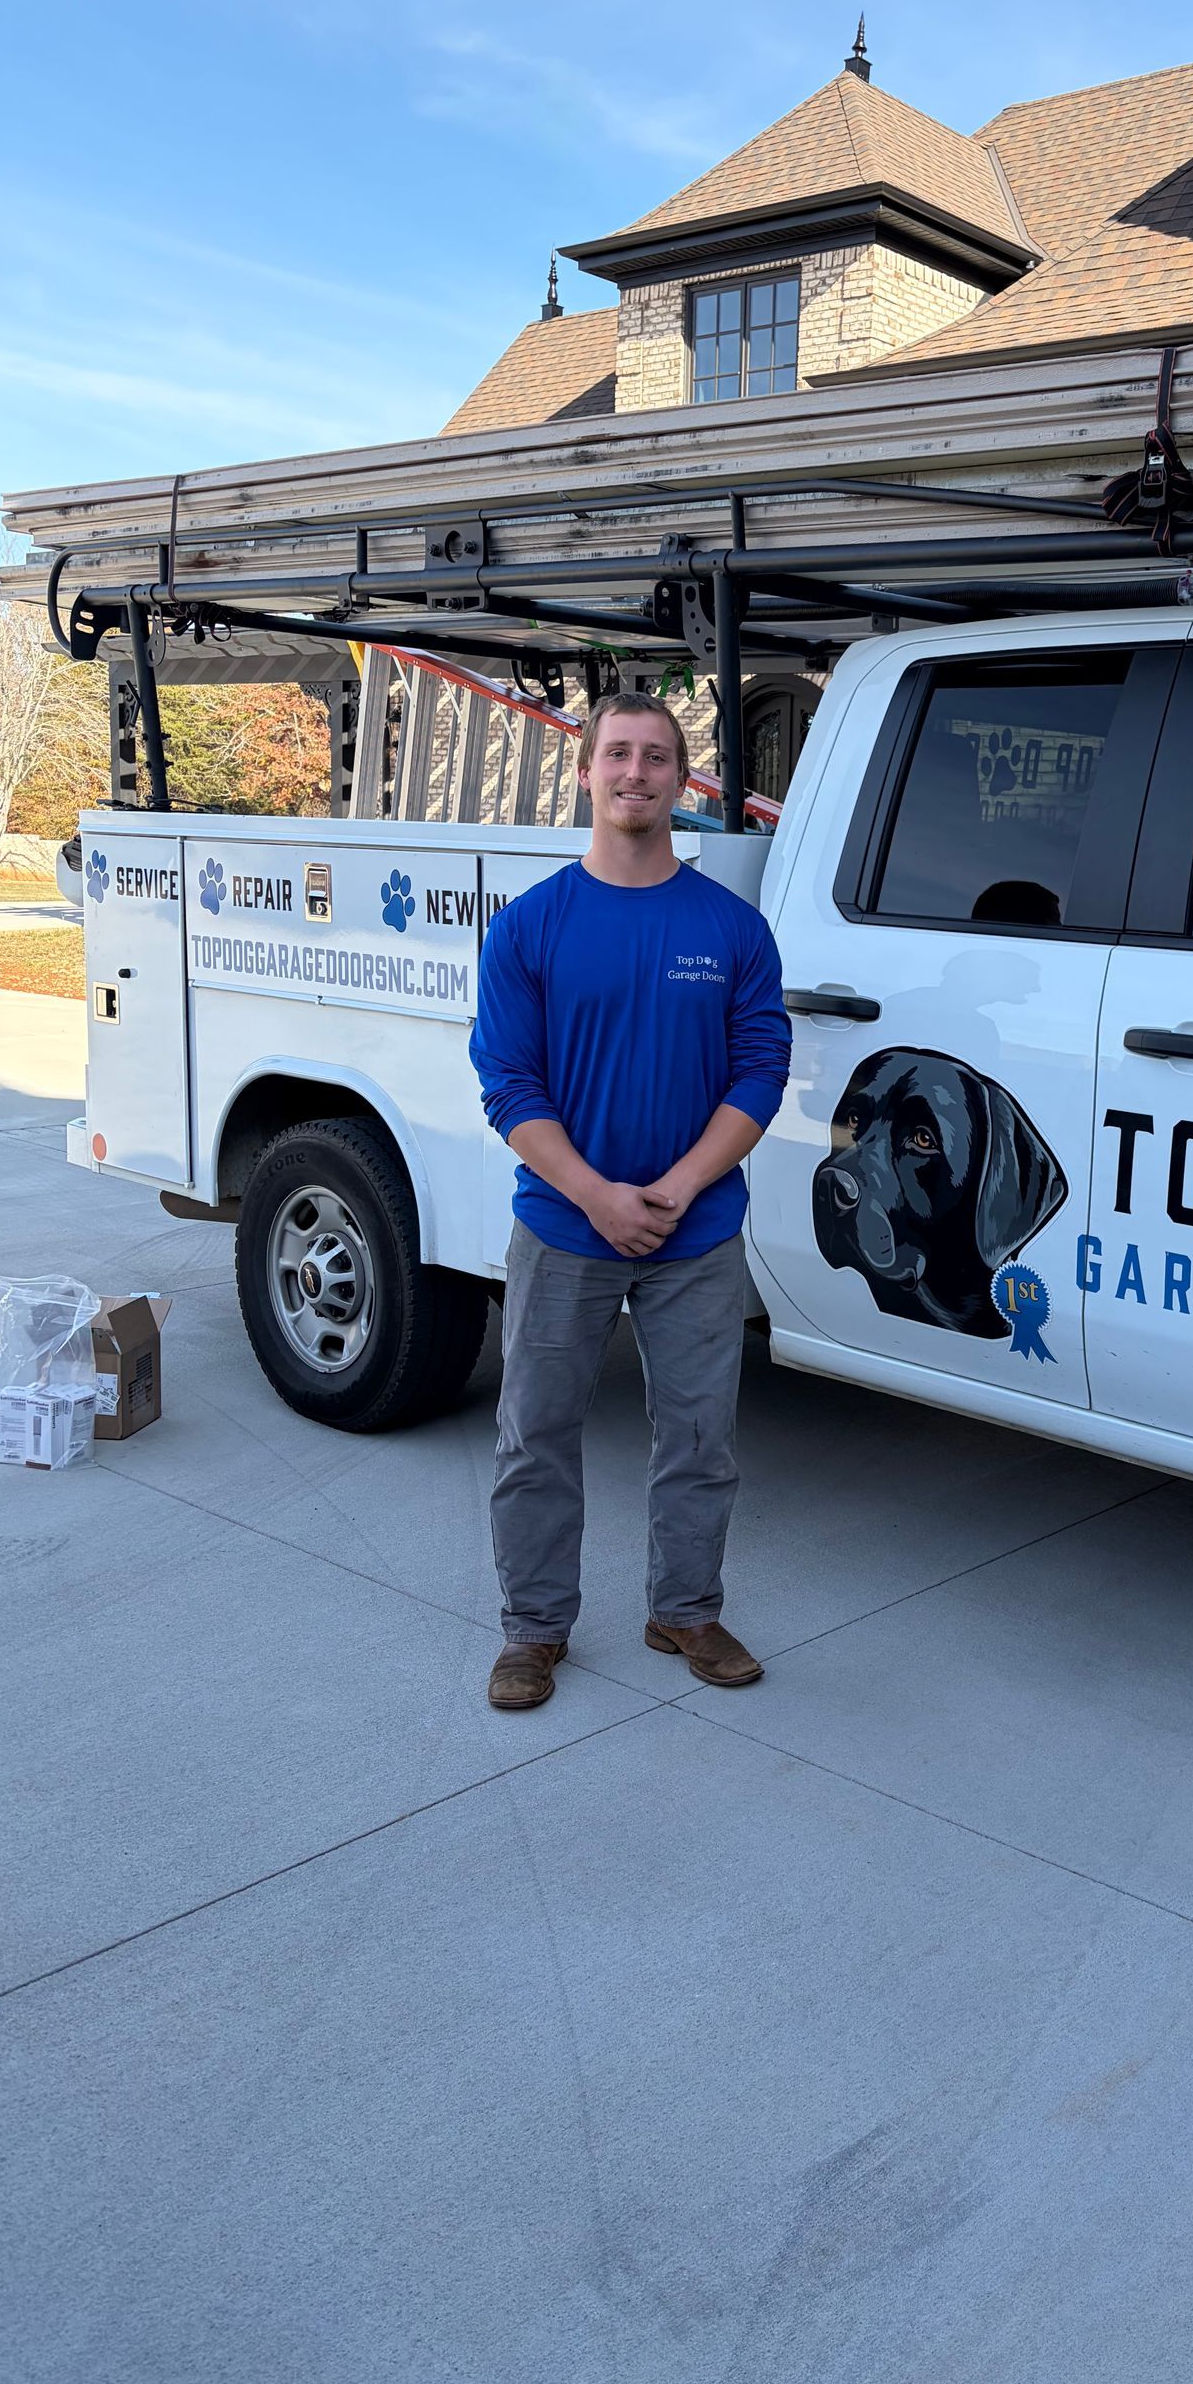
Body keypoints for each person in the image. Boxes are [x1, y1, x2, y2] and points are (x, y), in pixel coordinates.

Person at [468, 691, 791, 1708]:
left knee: (701, 1436)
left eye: (656, 757)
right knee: (537, 1434)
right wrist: (598, 1194)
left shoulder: (731, 929)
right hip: (565, 1228)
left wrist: (680, 1186)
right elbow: (509, 1085)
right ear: (584, 771)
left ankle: (685, 1609)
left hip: (697, 1235)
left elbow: (759, 1073)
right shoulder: (531, 927)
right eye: (617, 754)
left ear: (679, 778)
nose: (635, 773)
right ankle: (533, 1630)